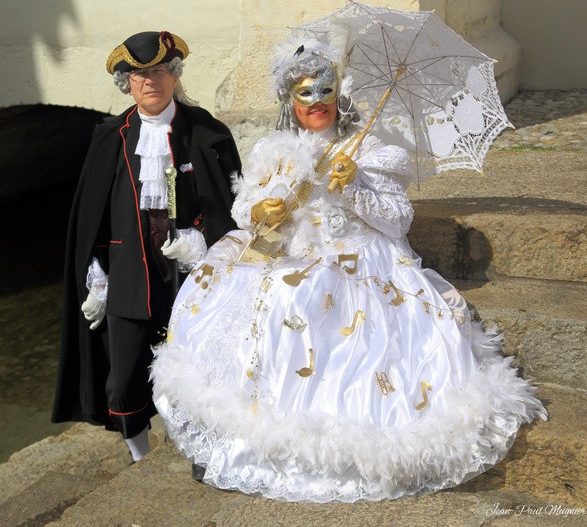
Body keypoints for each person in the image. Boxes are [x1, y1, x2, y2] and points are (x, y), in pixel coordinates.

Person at [150, 36, 546, 502]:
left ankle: (322, 440)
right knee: (231, 283)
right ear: (288, 100)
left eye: (325, 89)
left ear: (339, 92)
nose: (317, 101)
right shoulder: (274, 150)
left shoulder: (372, 148)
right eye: (305, 93)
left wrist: (354, 185)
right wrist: (265, 211)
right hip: (287, 249)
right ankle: (242, 432)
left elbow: (398, 221)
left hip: (359, 257)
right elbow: (245, 211)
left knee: (301, 293)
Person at [51, 31, 242, 463]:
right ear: (127, 84)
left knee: (198, 371)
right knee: (122, 381)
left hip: (197, 278)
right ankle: (140, 456)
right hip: (129, 276)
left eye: (158, 71)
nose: (149, 81)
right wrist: (96, 273)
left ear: (174, 76)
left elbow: (235, 208)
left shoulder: (209, 134)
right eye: (139, 75)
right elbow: (91, 213)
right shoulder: (109, 136)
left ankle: (202, 448)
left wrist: (201, 240)